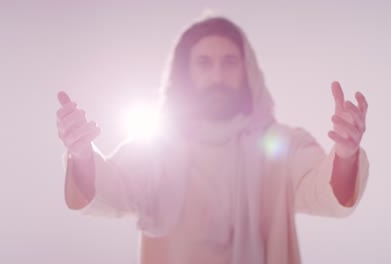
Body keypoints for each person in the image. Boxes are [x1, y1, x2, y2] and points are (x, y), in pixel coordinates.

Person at [56, 16, 369, 264]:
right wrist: (82, 154)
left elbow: (325, 192)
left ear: (248, 72)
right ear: (185, 73)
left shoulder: (282, 145)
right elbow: (111, 188)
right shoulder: (156, 150)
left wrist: (345, 154)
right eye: (204, 63)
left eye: (230, 62)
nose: (217, 75)